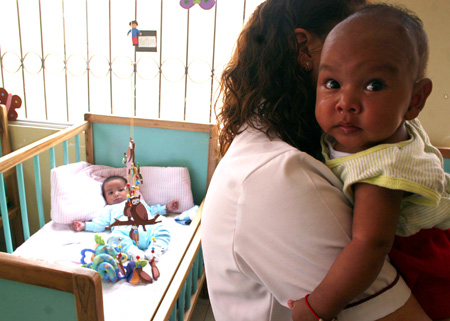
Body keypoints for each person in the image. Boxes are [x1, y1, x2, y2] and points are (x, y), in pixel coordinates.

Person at [201, 0, 430, 320]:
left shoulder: (347, 146)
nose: (349, 102)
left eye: (375, 85)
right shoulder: (275, 176)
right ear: (304, 48)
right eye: (353, 25)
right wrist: (314, 308)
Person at [288, 4, 450, 321]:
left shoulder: (383, 171)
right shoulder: (377, 129)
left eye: (373, 85)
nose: (346, 103)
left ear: (415, 100)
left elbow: (370, 245)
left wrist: (316, 307)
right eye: (332, 83)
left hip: (426, 269)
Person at [72, 175, 179, 262]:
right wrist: (84, 225)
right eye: (110, 193)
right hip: (124, 233)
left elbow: (151, 210)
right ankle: (133, 252)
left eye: (120, 190)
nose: (116, 194)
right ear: (105, 197)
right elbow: (101, 223)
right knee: (113, 239)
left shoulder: (136, 200)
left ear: (128, 191)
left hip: (147, 229)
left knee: (162, 229)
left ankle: (155, 249)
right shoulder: (109, 209)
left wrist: (166, 208)